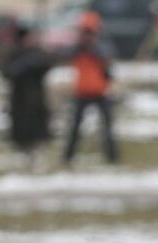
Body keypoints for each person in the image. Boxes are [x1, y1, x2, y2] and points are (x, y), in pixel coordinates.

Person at [61, 11, 118, 166]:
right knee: (75, 128)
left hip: (100, 92)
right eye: (84, 32)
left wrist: (92, 46)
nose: (86, 36)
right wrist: (81, 45)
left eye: (89, 32)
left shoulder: (101, 47)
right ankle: (68, 157)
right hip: (82, 92)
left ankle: (113, 158)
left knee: (107, 128)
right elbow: (65, 55)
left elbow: (108, 61)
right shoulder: (78, 48)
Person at [5, 23, 57, 169]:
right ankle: (23, 153)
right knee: (21, 128)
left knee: (38, 127)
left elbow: (48, 63)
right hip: (20, 97)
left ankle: (37, 154)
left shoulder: (37, 52)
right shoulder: (14, 53)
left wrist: (34, 62)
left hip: (36, 96)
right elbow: (8, 72)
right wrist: (23, 66)